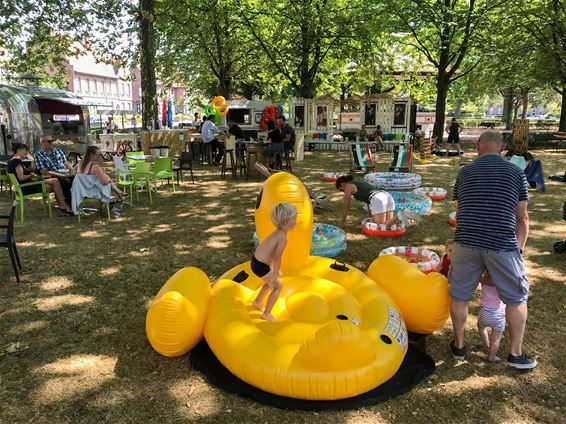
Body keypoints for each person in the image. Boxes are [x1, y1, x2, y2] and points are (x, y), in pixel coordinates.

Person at [449, 130, 536, 369]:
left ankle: (459, 346)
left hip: (466, 241)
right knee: (516, 298)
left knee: (459, 295)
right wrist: (519, 249)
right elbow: (522, 218)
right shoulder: (516, 172)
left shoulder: (464, 171)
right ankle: (516, 355)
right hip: (502, 244)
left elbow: (459, 209)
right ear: (502, 147)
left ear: (478, 146)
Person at [251, 202, 297, 321]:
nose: (296, 221)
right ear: (287, 221)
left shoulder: (278, 232)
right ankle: (267, 313)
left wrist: (273, 273)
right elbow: (277, 257)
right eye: (295, 218)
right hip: (260, 266)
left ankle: (257, 301)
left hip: (257, 262)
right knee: (278, 286)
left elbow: (269, 252)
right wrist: (275, 274)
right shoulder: (282, 238)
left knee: (270, 281)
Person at [7, 143, 72, 214]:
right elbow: (21, 177)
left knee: (55, 181)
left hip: (24, 186)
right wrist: (31, 175)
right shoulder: (17, 161)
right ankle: (63, 206)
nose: (27, 152)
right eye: (25, 150)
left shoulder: (11, 161)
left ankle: (63, 206)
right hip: (27, 188)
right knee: (57, 183)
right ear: (18, 150)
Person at [34, 135, 74, 205]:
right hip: (52, 175)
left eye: (52, 141)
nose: (51, 143)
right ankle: (69, 204)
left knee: (75, 179)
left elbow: (66, 162)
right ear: (42, 143)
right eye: (49, 141)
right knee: (64, 182)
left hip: (64, 173)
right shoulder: (38, 155)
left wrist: (71, 169)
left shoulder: (58, 151)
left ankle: (75, 201)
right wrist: (61, 175)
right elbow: (44, 172)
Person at [478, 272, 506, 363]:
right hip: (498, 313)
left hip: (484, 312)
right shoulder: (502, 282)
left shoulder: (483, 280)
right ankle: (492, 356)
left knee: (481, 327)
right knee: (496, 338)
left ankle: (487, 346)